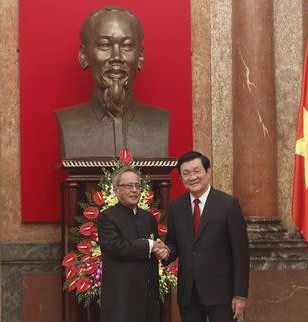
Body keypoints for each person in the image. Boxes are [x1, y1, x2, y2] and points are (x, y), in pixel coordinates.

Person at [56, 6, 169, 158]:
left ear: (140, 57)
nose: (116, 57)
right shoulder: (69, 123)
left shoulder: (158, 121)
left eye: (127, 46)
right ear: (84, 56)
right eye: (104, 45)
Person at [163, 151, 250, 322]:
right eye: (186, 174)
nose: (192, 177)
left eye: (197, 171)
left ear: (208, 172)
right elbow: (173, 245)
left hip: (221, 294)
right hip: (188, 294)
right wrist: (164, 251)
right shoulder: (176, 207)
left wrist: (240, 295)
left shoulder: (228, 205)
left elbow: (241, 253)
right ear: (181, 179)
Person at [97, 166, 168, 322]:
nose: (135, 190)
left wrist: (161, 251)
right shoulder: (107, 217)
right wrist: (149, 246)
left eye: (137, 185)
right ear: (116, 190)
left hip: (148, 296)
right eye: (129, 186)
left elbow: (155, 248)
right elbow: (116, 247)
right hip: (121, 297)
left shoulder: (148, 218)